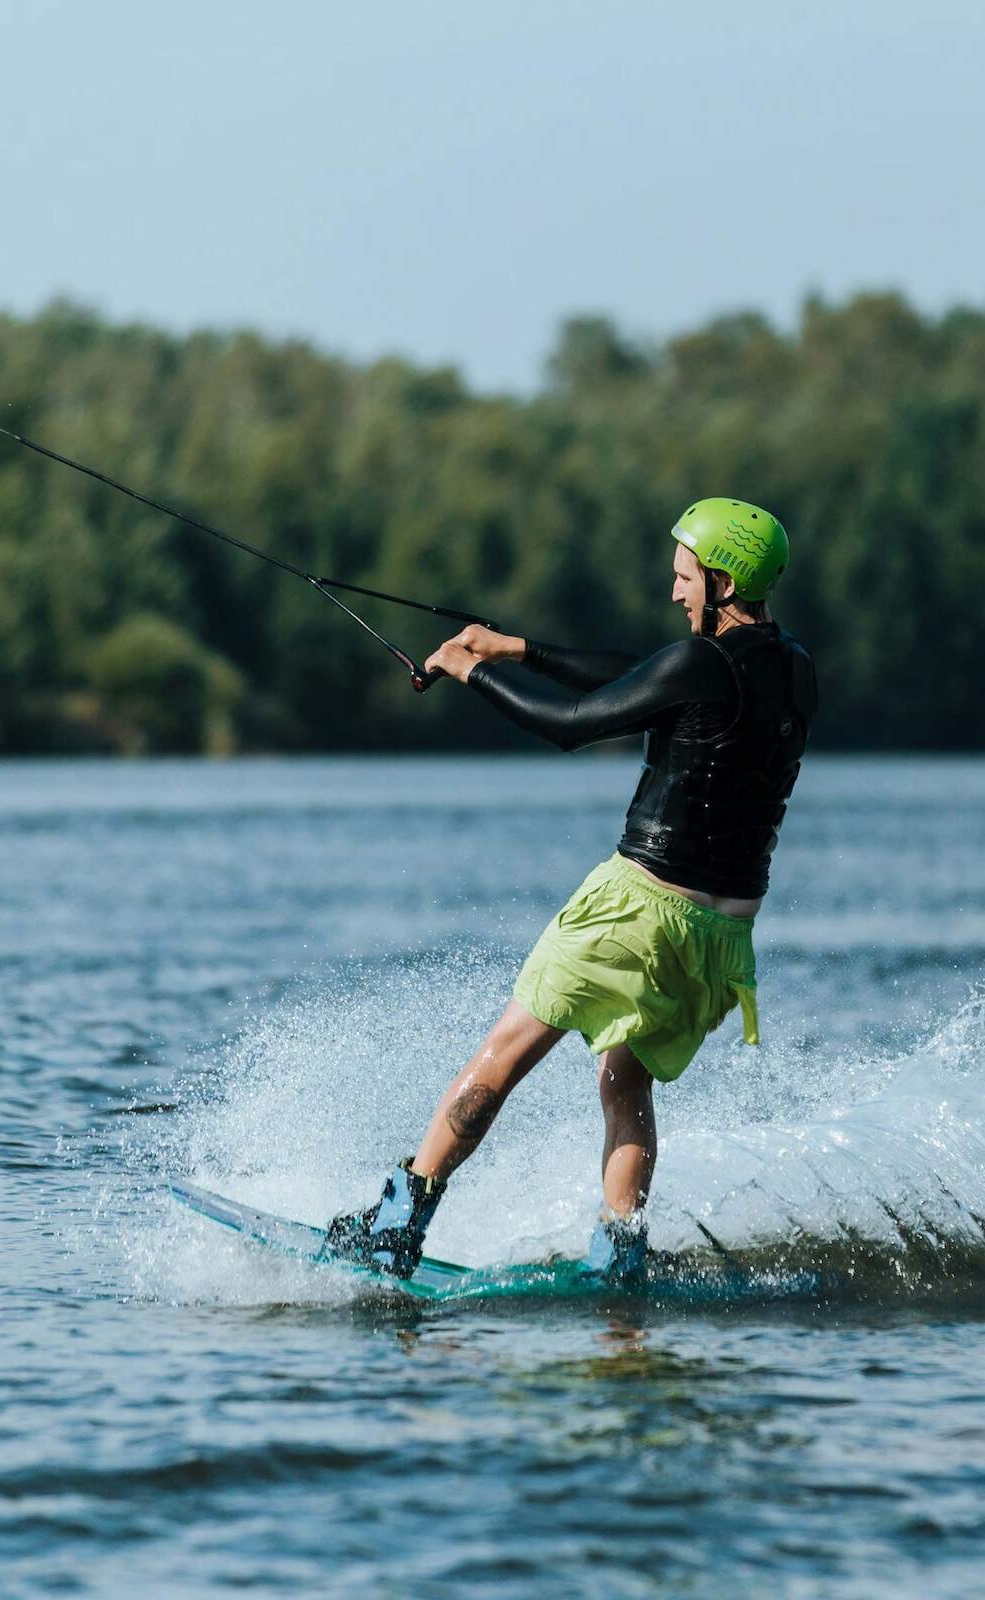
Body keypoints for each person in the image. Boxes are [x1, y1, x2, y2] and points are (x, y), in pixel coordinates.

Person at [323, 498, 817, 1282]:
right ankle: (622, 1251)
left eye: (686, 578)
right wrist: (518, 647)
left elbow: (572, 725)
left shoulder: (698, 665)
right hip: (721, 939)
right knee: (626, 1080)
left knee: (504, 1054)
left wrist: (472, 669)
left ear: (723, 582)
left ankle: (395, 1222)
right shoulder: (793, 669)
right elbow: (647, 676)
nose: (675, 592)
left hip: (637, 910)